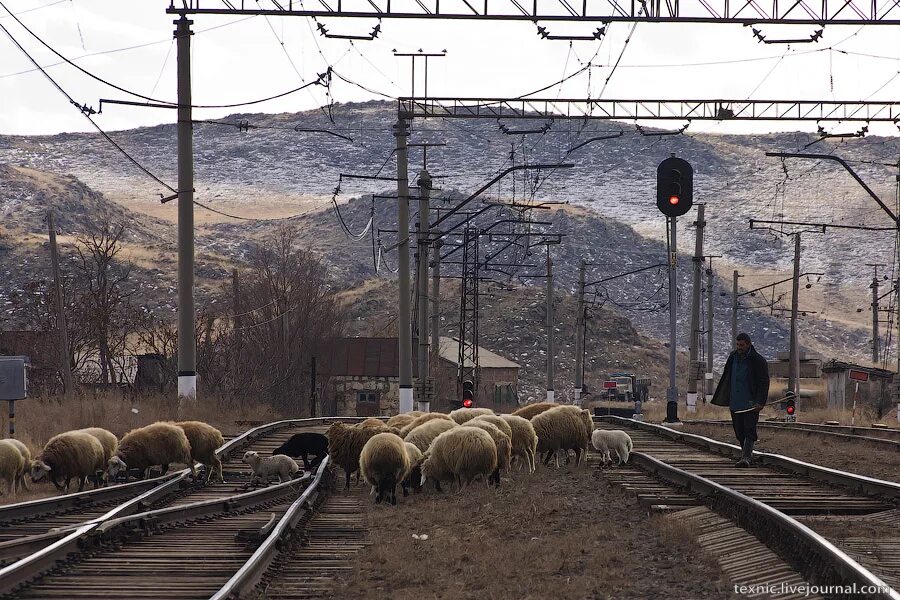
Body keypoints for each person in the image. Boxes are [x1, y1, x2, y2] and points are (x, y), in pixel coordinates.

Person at [711, 332, 770, 467]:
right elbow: (727, 378)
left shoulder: (758, 360)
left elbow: (764, 382)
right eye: (737, 344)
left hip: (751, 403)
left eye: (742, 345)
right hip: (736, 402)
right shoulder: (733, 357)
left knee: (749, 429)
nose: (739, 347)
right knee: (739, 431)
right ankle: (745, 455)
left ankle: (746, 457)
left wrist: (760, 401)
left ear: (749, 344)